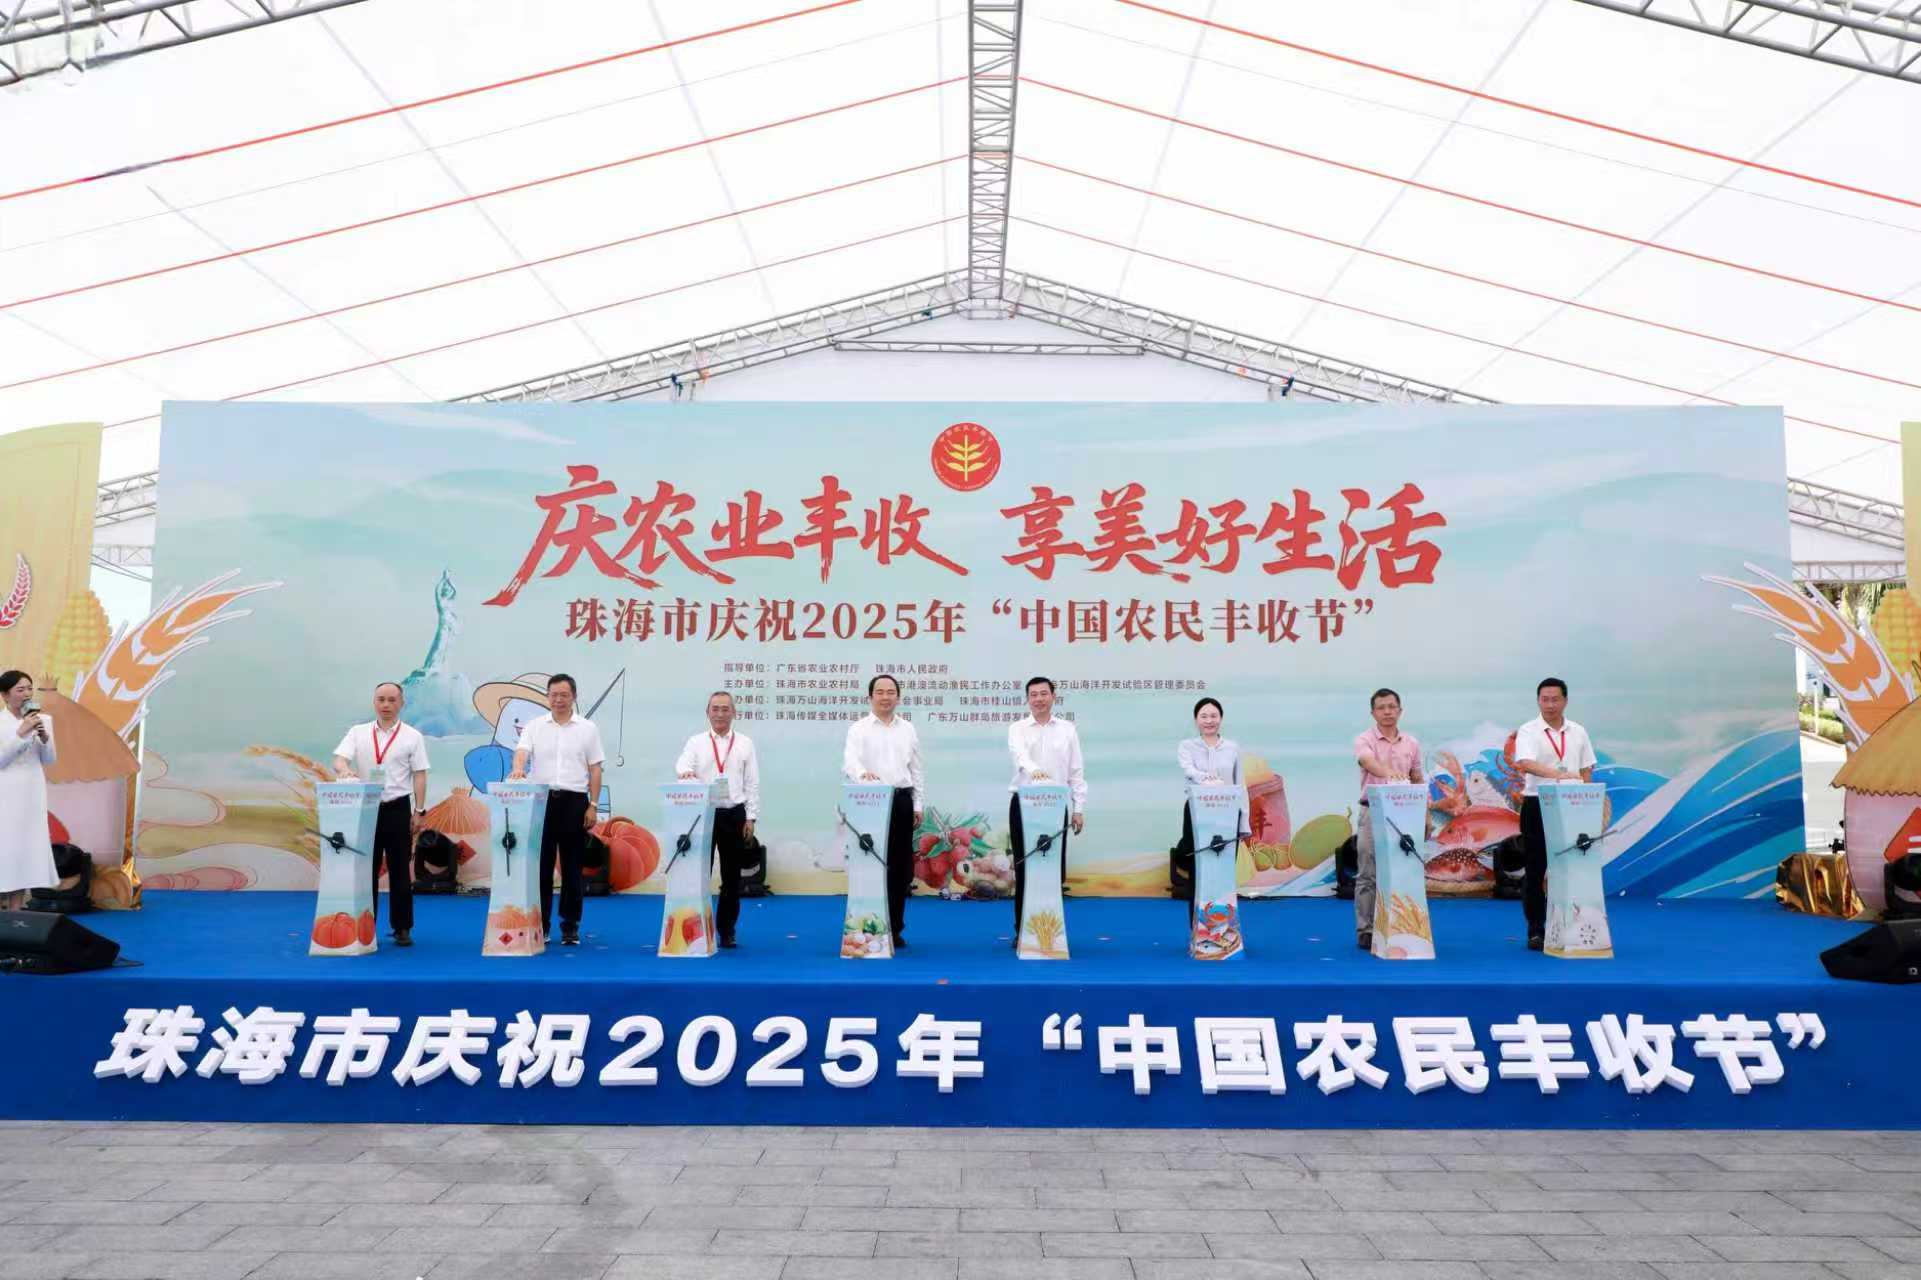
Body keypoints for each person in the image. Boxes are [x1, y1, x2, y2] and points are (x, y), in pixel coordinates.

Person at [508, 673, 605, 947]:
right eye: (554, 695)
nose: (558, 700)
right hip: (542, 802)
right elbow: (522, 752)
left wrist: (593, 805)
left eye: (564, 695)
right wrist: (518, 769)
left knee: (573, 868)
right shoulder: (535, 726)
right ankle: (542, 925)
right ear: (547, 697)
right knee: (541, 867)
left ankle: (570, 926)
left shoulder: (588, 728)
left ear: (574, 696)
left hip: (575, 802)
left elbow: (596, 769)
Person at [331, 681, 430, 947]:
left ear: (402, 703)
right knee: (366, 870)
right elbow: (339, 758)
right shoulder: (358, 732)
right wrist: (344, 769)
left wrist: (419, 810)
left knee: (400, 871)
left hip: (398, 807)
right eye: (381, 699)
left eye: (392, 700)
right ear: (374, 702)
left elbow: (420, 774)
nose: (386, 705)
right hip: (365, 809)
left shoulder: (412, 736)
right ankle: (365, 926)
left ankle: (402, 928)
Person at [1510, 677, 1597, 952]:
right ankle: (1536, 929)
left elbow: (1587, 768)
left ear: (1565, 701)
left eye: (1555, 699)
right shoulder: (1528, 730)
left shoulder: (1578, 732)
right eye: (1545, 699)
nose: (1550, 705)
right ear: (1538, 701)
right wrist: (1559, 776)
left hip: (1572, 805)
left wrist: (1586, 798)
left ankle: (1574, 925)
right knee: (1536, 868)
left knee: (1573, 865)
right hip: (1538, 803)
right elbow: (1525, 762)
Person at [841, 673, 923, 949]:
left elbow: (916, 770)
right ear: (870, 697)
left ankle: (894, 929)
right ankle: (867, 927)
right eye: (880, 692)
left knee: (900, 869)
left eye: (891, 692)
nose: (885, 697)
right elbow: (850, 762)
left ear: (898, 697)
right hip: (869, 802)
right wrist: (863, 775)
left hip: (901, 801)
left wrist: (918, 804)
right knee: (870, 864)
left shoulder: (908, 729)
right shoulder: (858, 729)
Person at [675, 690, 760, 950]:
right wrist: (685, 774)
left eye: (725, 709)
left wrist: (751, 817)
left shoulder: (745, 743)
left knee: (731, 877)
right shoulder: (696, 742)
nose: (720, 714)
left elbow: (752, 783)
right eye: (715, 709)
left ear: (734, 713)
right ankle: (697, 928)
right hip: (704, 814)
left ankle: (726, 930)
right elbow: (682, 765)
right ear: (707, 713)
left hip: (734, 814)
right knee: (699, 874)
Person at [1006, 676, 1086, 945]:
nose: (1039, 699)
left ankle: (1050, 932)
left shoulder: (1068, 730)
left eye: (1044, 694)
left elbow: (1076, 772)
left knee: (1053, 869)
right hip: (1024, 803)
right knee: (1025, 867)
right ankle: (1023, 931)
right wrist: (1035, 771)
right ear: (1027, 699)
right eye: (1034, 695)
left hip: (1055, 805)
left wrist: (1078, 808)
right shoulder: (1017, 728)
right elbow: (1020, 756)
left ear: (1053, 696)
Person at [1353, 687, 1424, 952]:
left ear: (1400, 711)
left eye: (1392, 707)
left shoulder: (1411, 743)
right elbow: (1367, 761)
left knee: (1403, 870)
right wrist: (1389, 774)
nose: (1387, 712)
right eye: (1381, 707)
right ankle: (1366, 929)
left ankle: (1399, 925)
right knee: (1367, 873)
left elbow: (1417, 778)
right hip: (1372, 811)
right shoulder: (1364, 739)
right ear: (1373, 713)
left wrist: (1426, 814)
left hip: (1405, 813)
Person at [1171, 697, 1252, 909]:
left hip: (1228, 813)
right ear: (1196, 720)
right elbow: (1189, 770)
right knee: (1197, 868)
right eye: (1204, 716)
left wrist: (1244, 822)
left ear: (1221, 719)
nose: (1209, 720)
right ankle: (1198, 924)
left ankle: (1223, 922)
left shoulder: (1232, 748)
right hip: (1198, 810)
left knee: (1224, 868)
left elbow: (1240, 784)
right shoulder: (1186, 746)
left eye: (1214, 716)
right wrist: (1208, 780)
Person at [0, 671, 57, 912]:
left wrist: (44, 738)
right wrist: (21, 733)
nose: (26, 694)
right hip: (5, 792)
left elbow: (49, 759)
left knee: (24, 848)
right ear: (5, 695)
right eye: (20, 689)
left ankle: (16, 912)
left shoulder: (43, 719)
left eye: (29, 688)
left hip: (32, 791)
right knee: (5, 847)